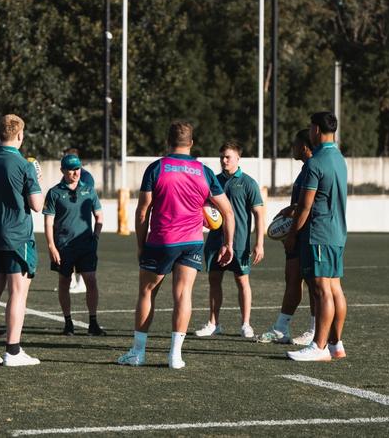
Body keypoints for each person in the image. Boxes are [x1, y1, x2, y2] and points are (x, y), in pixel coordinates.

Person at [117, 121, 235, 369]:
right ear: (191, 143)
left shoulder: (157, 168)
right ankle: (175, 356)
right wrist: (228, 243)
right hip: (192, 242)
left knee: (147, 292)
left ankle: (138, 353)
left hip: (161, 241)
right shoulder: (204, 172)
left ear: (167, 142)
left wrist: (141, 245)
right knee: (183, 295)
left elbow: (142, 212)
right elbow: (228, 212)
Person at [0, 114, 43, 367]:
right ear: (20, 135)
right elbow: (37, 205)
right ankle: (12, 351)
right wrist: (38, 180)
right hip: (17, 237)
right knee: (17, 293)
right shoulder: (24, 165)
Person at [286, 112, 348, 362]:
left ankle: (319, 347)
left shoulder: (315, 163)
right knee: (334, 288)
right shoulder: (340, 159)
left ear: (316, 130)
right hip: (337, 232)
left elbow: (304, 207)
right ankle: (336, 344)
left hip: (319, 233)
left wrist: (292, 235)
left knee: (322, 291)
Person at [195, 141, 265, 339]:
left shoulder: (249, 183)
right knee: (214, 279)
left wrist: (259, 242)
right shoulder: (213, 181)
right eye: (222, 157)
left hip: (241, 241)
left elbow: (259, 214)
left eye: (228, 157)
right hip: (215, 241)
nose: (224, 160)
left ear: (238, 159)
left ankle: (246, 324)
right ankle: (213, 323)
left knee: (242, 280)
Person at [258, 129, 317, 345]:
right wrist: (290, 211)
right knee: (292, 278)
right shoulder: (304, 170)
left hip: (307, 234)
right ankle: (281, 329)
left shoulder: (314, 167)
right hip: (296, 234)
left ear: (303, 146)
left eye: (294, 143)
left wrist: (293, 219)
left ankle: (314, 329)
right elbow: (301, 204)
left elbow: (309, 205)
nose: (291, 147)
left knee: (313, 283)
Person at [44, 154, 105, 336]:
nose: (75, 172)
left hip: (86, 246)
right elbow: (48, 223)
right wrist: (51, 247)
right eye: (71, 169)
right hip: (64, 247)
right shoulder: (54, 192)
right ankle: (68, 322)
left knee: (91, 281)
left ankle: (93, 323)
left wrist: (96, 236)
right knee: (64, 282)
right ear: (63, 171)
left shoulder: (89, 190)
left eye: (77, 168)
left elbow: (99, 215)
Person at [63, 147, 93, 294]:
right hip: (67, 222)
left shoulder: (86, 177)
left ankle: (81, 283)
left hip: (81, 223)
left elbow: (86, 198)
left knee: (80, 253)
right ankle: (72, 283)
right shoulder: (66, 175)